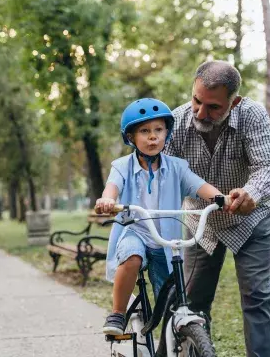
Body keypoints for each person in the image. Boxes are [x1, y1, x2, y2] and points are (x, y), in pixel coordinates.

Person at [163, 60, 270, 357]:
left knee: (257, 297)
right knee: (193, 301)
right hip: (201, 222)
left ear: (235, 101)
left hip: (251, 219)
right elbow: (162, 173)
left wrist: (251, 193)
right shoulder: (176, 121)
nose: (201, 113)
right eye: (196, 100)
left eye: (213, 107)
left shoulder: (252, 115)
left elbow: (269, 165)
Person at [95, 98, 229, 336]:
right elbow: (112, 187)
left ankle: (174, 341)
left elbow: (199, 185)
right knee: (132, 257)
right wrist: (108, 200)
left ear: (167, 134)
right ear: (131, 138)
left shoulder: (177, 167)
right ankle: (117, 313)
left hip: (165, 241)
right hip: (134, 232)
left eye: (158, 130)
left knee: (170, 301)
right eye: (144, 131)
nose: (152, 137)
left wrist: (222, 198)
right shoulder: (121, 166)